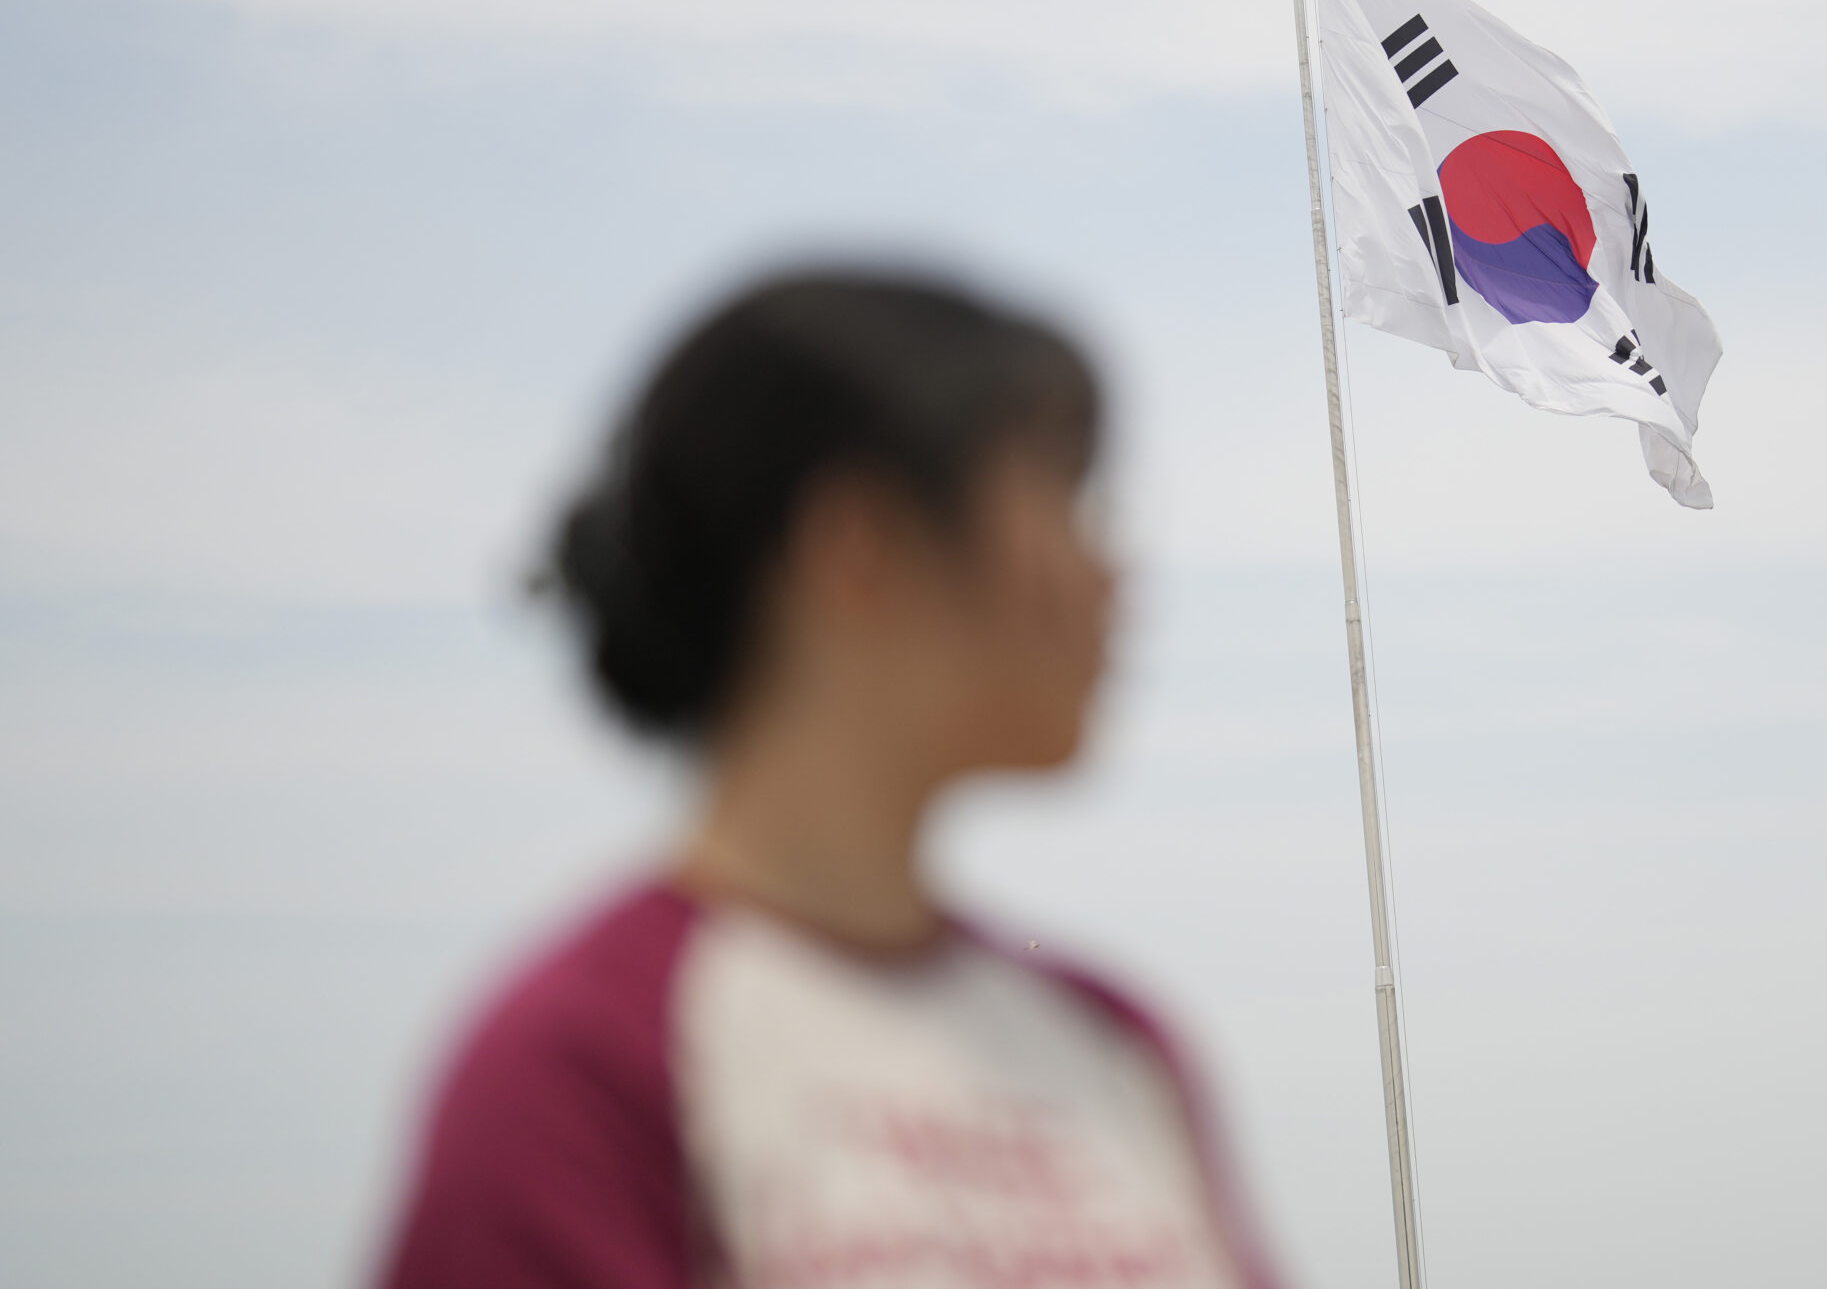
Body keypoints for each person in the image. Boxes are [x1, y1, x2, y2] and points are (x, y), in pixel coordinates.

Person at [377, 268, 1280, 1289]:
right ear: (859, 543)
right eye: (1064, 497)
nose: (1109, 573)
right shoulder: (587, 1063)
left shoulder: (1115, 1044)